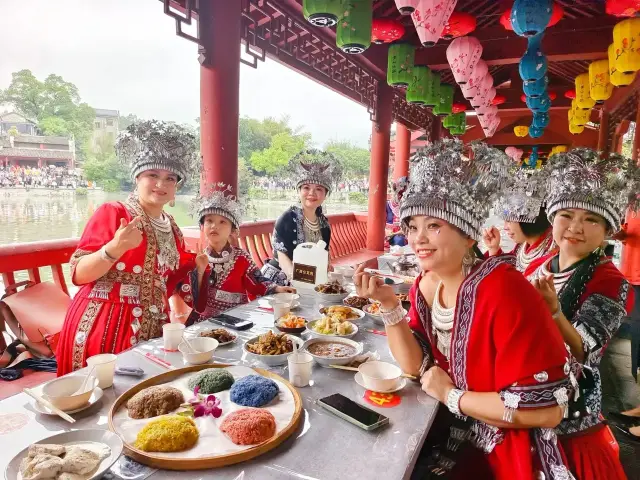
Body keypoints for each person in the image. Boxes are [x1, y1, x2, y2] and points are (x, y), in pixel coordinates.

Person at [354, 139, 574, 480]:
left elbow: (547, 410)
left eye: (434, 225)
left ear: (469, 236)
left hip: (503, 448)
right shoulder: (426, 283)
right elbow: (416, 366)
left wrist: (451, 395)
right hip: (447, 427)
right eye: (413, 227)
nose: (418, 239)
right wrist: (388, 305)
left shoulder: (504, 290)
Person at [525, 148, 638, 479]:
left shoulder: (610, 280)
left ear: (607, 232)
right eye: (567, 215)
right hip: (522, 388)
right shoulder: (538, 263)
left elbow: (585, 349)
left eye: (591, 219)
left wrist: (555, 312)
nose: (576, 227)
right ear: (552, 218)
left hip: (569, 407)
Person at [56, 120, 198, 376]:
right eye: (152, 175)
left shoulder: (173, 226)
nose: (161, 184)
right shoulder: (114, 212)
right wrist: (114, 249)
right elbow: (78, 273)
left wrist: (194, 268)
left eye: (170, 178)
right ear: (137, 177)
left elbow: (167, 282)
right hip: (105, 324)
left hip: (154, 326)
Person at [174, 186, 296, 324]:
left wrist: (276, 288)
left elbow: (257, 280)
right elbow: (192, 299)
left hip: (236, 317)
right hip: (204, 320)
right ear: (202, 226)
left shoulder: (241, 257)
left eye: (222, 222)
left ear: (232, 229)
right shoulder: (197, 259)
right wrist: (200, 271)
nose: (214, 226)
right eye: (209, 221)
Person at [261, 149, 342, 285]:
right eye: (306, 188)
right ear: (299, 191)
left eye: (319, 189)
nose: (312, 193)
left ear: (325, 194)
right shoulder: (287, 219)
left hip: (309, 280)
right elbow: (282, 258)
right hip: (280, 280)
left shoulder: (324, 224)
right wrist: (299, 281)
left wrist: (325, 270)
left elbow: (324, 255)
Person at [482, 167, 555, 272]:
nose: (505, 227)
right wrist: (494, 248)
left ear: (527, 218)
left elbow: (512, 281)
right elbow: (512, 270)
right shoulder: (522, 245)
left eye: (509, 220)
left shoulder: (552, 254)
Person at [386, 176, 409, 247]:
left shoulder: (411, 207)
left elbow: (409, 228)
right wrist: (387, 232)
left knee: (400, 240)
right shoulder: (387, 205)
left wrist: (394, 234)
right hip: (389, 235)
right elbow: (379, 224)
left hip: (405, 235)